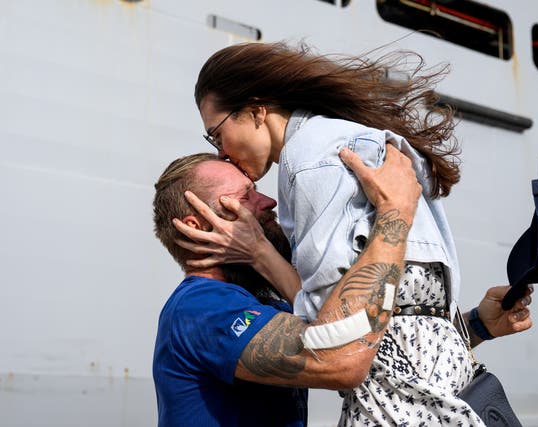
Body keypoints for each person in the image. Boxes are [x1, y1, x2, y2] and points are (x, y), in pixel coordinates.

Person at [185, 41, 534, 426]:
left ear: (255, 109)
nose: (221, 152)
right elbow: (408, 323)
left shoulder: (308, 162)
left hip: (397, 408)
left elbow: (338, 336)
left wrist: (261, 255)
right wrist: (477, 325)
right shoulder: (365, 141)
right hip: (454, 395)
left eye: (216, 135)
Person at [152, 147, 422, 426]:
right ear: (197, 226)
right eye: (246, 196)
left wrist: (471, 323)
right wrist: (394, 214)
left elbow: (373, 342)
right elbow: (341, 359)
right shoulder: (202, 308)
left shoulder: (263, 307)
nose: (268, 201)